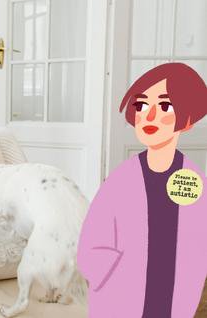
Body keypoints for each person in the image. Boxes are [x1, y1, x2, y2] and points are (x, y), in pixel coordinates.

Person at [77, 62, 207, 317]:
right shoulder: (120, 183)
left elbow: (197, 246)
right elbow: (91, 247)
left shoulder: (190, 181)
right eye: (142, 105)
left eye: (165, 106)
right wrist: (118, 276)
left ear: (188, 119)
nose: (149, 116)